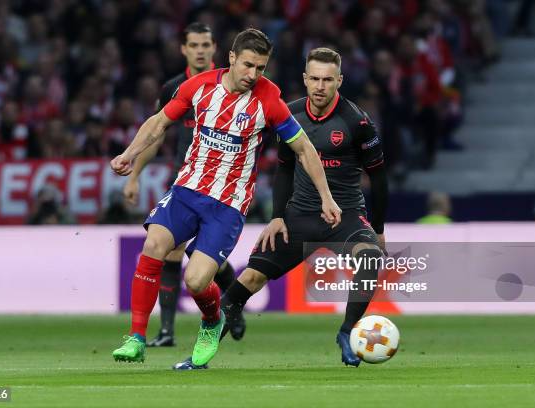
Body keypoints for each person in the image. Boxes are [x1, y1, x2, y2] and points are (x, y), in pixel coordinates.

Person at [110, 29, 342, 369]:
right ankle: (136, 338)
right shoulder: (198, 87)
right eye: (248, 65)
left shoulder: (269, 102)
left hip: (228, 204)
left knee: (196, 280)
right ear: (231, 58)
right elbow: (159, 123)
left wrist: (327, 197)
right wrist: (130, 154)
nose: (253, 75)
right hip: (188, 189)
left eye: (260, 68)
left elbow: (304, 149)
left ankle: (211, 320)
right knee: (154, 245)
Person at [218, 47, 388, 368]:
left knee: (369, 257)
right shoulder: (288, 113)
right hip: (299, 216)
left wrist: (377, 230)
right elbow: (283, 168)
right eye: (315, 79)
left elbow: (379, 179)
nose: (320, 86)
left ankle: (348, 333)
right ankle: (202, 349)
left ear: (339, 81)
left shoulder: (357, 122)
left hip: (345, 217)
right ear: (305, 79)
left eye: (328, 80)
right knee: (249, 280)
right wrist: (277, 217)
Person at [122, 22, 239, 348]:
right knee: (168, 249)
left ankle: (233, 308)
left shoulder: (232, 87)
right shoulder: (174, 88)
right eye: (194, 45)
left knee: (209, 262)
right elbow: (156, 134)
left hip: (221, 186)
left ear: (214, 48)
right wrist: (133, 175)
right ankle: (166, 331)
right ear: (184, 49)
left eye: (205, 44)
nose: (200, 50)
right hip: (185, 179)